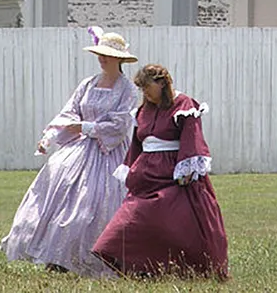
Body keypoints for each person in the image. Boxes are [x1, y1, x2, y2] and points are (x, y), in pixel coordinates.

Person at [1, 27, 139, 276]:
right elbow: (70, 112)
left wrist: (86, 126)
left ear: (119, 59)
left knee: (93, 204)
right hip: (79, 151)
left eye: (107, 54)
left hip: (109, 153)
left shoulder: (127, 89)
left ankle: (99, 258)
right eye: (100, 53)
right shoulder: (88, 83)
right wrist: (50, 136)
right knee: (57, 193)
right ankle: (57, 258)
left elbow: (120, 125)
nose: (102, 58)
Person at [92, 63, 229, 281]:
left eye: (148, 88)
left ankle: (185, 268)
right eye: (142, 89)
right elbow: (137, 143)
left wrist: (186, 169)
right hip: (145, 177)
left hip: (175, 177)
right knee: (129, 221)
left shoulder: (184, 104)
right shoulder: (142, 111)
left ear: (163, 83)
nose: (144, 93)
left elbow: (191, 138)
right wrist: (130, 170)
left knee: (176, 224)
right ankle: (139, 267)